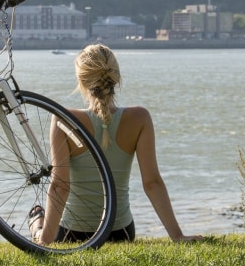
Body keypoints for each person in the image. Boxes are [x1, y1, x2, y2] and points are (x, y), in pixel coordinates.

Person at [29, 44, 202, 244]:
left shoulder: (64, 119)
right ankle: (38, 223)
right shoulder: (140, 118)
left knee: (36, 219)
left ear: (81, 81)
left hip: (73, 233)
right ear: (116, 78)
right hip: (121, 233)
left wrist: (45, 241)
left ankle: (38, 226)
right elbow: (152, 183)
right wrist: (177, 236)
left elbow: (60, 185)